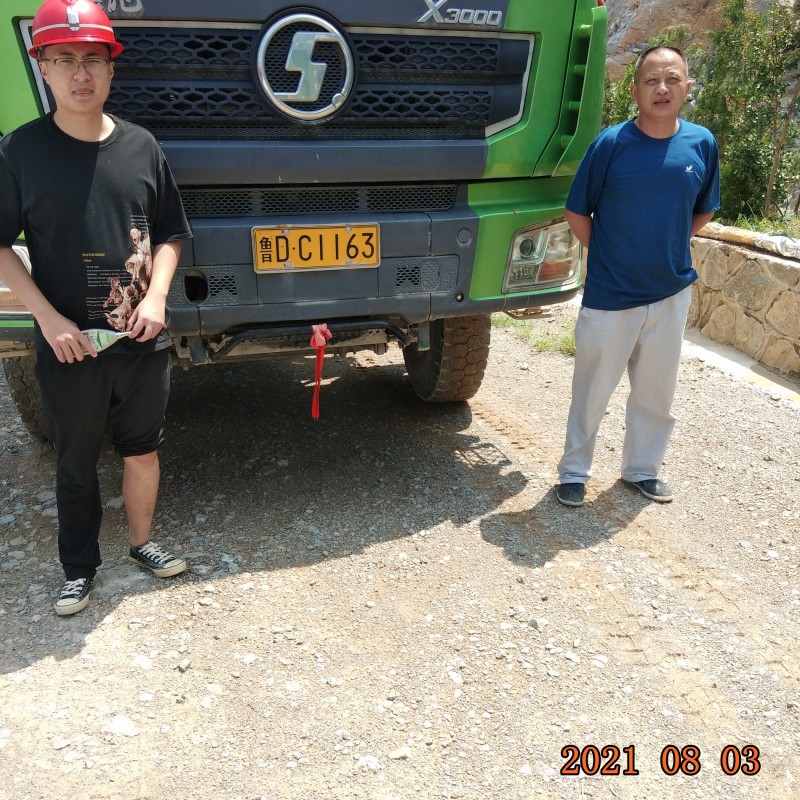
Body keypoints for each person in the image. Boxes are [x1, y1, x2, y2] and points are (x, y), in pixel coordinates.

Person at [0, 0, 192, 614]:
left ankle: (142, 544)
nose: (80, 73)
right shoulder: (20, 151)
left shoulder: (142, 147)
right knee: (75, 460)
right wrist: (47, 318)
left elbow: (171, 233)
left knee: (143, 449)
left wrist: (157, 297)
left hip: (141, 338)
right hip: (70, 346)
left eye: (92, 59)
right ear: (44, 68)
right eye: (65, 60)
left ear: (111, 69)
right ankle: (79, 570)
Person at [555, 46, 720, 508]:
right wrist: (613, 254)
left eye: (672, 79)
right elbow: (576, 211)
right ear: (634, 91)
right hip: (611, 295)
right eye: (651, 80)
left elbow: (703, 209)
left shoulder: (701, 143)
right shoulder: (611, 144)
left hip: (670, 293)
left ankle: (642, 470)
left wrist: (665, 246)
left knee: (656, 394)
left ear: (687, 87)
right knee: (592, 392)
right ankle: (573, 473)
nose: (662, 88)